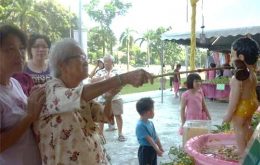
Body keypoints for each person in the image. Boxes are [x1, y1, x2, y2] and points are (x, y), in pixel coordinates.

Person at [33, 38, 153, 165]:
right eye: (80, 57)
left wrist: (109, 97)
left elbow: (107, 117)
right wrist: (124, 78)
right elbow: (76, 96)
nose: (86, 61)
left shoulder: (79, 92)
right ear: (63, 65)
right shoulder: (51, 90)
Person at [0, 24, 45, 165]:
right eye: (10, 49)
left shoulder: (15, 83)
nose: (19, 54)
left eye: (21, 48)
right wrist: (29, 117)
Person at [223, 37, 259, 155]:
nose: (231, 59)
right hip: (252, 104)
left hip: (242, 107)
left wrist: (228, 115)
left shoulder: (237, 79)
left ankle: (242, 154)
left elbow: (234, 100)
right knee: (246, 127)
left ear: (241, 58)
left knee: (238, 129)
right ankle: (250, 149)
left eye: (232, 55)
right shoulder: (252, 74)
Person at [92, 54, 126, 142]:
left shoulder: (118, 71)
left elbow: (123, 82)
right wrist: (104, 77)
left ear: (112, 62)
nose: (106, 63)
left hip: (116, 97)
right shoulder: (100, 72)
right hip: (103, 98)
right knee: (101, 116)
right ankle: (101, 135)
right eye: (105, 61)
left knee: (118, 115)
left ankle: (120, 133)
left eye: (108, 61)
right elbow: (92, 80)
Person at [135, 97, 164, 165]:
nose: (154, 112)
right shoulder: (140, 125)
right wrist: (157, 150)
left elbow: (155, 136)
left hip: (152, 149)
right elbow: (150, 140)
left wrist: (160, 146)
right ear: (149, 112)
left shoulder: (150, 123)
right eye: (153, 110)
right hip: (145, 150)